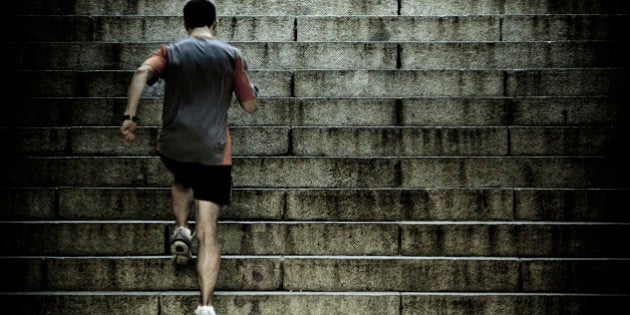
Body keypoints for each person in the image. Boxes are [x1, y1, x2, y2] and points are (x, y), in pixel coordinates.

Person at [120, 0, 258, 314]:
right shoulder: (231, 55)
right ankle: (205, 306)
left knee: (182, 177)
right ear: (216, 23)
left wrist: (130, 116)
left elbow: (142, 71)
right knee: (208, 230)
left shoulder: (171, 51)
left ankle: (181, 228)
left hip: (175, 144)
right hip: (212, 150)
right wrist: (252, 92)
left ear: (185, 24)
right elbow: (250, 106)